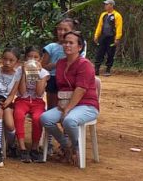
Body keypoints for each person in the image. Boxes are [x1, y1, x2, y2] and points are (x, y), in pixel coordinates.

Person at [41, 30, 99, 165]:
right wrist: (63, 105)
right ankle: (66, 145)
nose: (67, 45)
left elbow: (80, 89)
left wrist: (67, 108)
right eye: (65, 42)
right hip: (66, 103)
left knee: (69, 120)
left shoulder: (85, 64)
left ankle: (76, 147)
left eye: (71, 43)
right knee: (45, 118)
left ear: (79, 47)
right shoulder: (61, 63)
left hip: (86, 105)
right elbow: (61, 87)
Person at [8, 46, 49, 162]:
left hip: (37, 102)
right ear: (25, 58)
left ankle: (35, 148)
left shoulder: (44, 73)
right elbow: (22, 92)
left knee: (37, 118)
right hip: (22, 100)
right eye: (30, 57)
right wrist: (25, 73)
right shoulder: (19, 71)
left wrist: (37, 73)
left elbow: (39, 92)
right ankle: (22, 148)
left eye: (36, 57)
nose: (32, 60)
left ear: (40, 59)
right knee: (18, 114)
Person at [0, 48, 23, 158]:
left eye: (11, 60)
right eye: (5, 59)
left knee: (10, 125)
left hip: (6, 102)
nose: (7, 63)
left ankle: (11, 144)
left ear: (17, 62)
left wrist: (6, 103)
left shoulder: (17, 75)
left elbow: (12, 94)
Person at [92, 0, 123, 76]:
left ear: (111, 5)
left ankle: (108, 70)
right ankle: (96, 69)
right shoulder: (103, 15)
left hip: (111, 37)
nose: (105, 6)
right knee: (99, 52)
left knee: (110, 53)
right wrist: (96, 35)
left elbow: (119, 27)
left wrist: (117, 38)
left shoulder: (117, 15)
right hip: (103, 36)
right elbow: (99, 26)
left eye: (107, 4)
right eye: (105, 4)